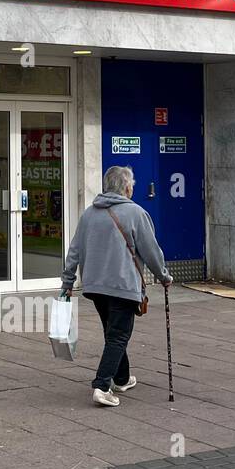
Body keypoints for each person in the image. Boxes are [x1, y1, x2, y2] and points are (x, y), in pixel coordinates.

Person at [61, 165, 172, 407]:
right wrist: (163, 276)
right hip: (122, 285)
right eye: (132, 184)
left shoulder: (89, 213)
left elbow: (74, 250)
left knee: (113, 333)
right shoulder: (136, 213)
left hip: (94, 286)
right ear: (127, 187)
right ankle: (102, 386)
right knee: (118, 336)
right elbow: (151, 251)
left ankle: (121, 378)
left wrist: (68, 281)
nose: (133, 187)